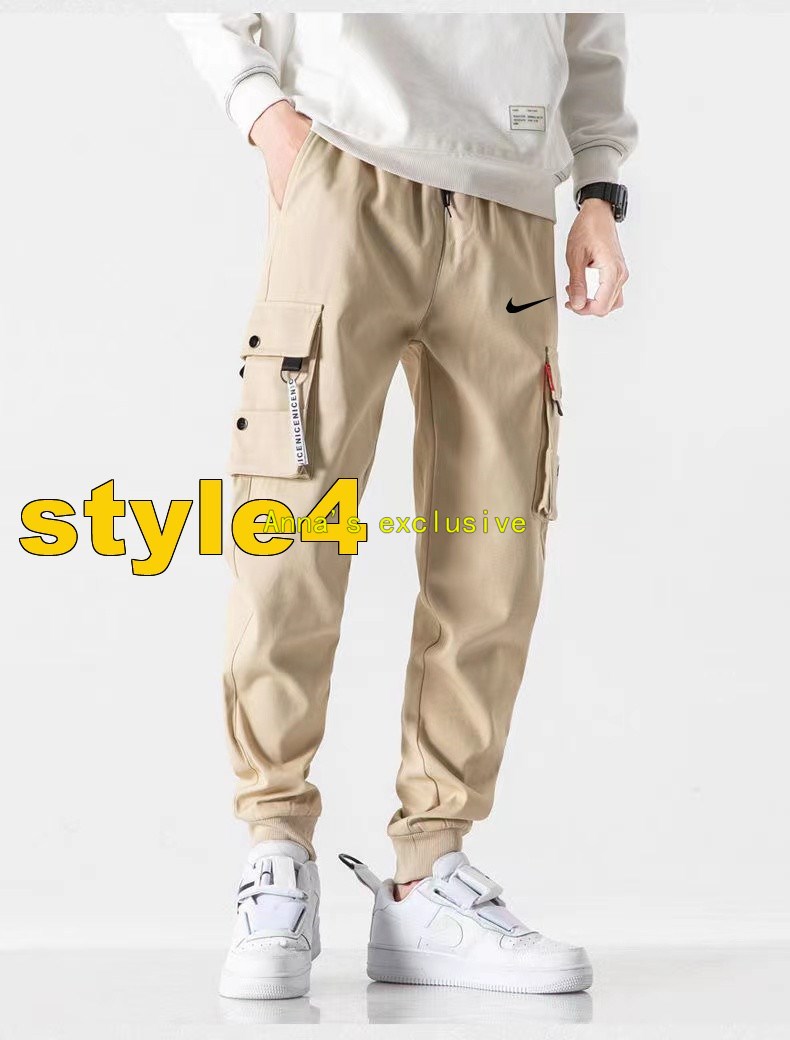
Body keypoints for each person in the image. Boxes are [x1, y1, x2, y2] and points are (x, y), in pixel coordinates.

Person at [169, 12, 636, 1000]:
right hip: (345, 164)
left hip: (510, 197)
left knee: (493, 549)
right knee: (290, 533)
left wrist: (597, 188)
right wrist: (264, 114)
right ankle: (276, 850)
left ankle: (429, 872)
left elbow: (590, 25)